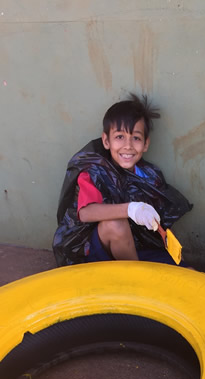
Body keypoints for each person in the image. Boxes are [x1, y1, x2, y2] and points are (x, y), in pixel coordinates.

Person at [53, 93, 192, 267]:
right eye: (120, 137)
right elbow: (85, 213)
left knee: (187, 273)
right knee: (115, 225)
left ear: (145, 144)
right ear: (106, 141)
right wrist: (131, 209)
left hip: (134, 248)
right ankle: (136, 279)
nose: (128, 146)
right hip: (95, 253)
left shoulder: (149, 175)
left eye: (136, 138)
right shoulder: (94, 172)